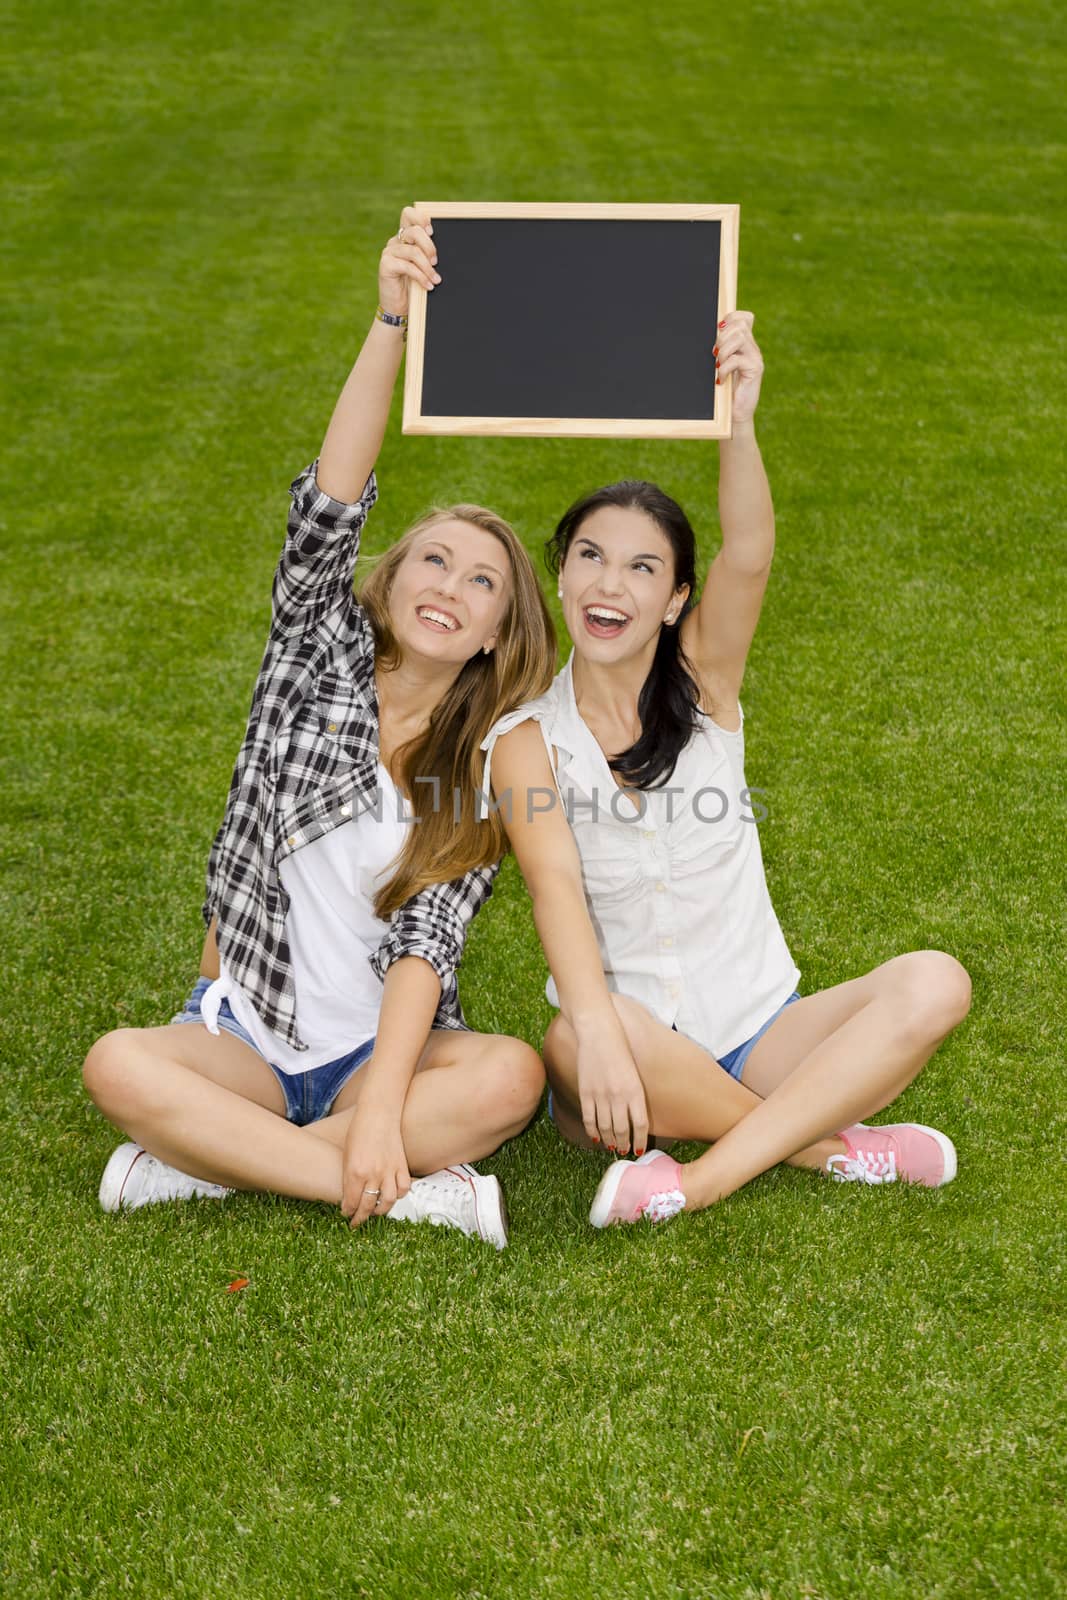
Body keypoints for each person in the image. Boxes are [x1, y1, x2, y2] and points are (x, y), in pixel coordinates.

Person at [83, 205, 555, 1248]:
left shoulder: (486, 763)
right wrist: (390, 322)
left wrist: (383, 1101)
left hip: (376, 1049)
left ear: (491, 634)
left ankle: (211, 1160)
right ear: (389, 582)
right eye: (431, 559)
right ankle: (396, 1185)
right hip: (251, 1035)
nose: (449, 586)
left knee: (511, 1075)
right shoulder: (314, 653)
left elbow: (426, 942)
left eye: (481, 583)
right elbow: (328, 507)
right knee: (118, 1062)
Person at [482, 310, 972, 1228]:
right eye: (588, 556)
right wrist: (596, 1037)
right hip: (637, 1048)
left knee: (935, 980)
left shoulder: (704, 685)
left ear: (673, 602)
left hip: (764, 1029)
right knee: (570, 1035)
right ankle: (829, 1145)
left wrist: (739, 421)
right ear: (559, 574)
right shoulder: (523, 740)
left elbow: (748, 554)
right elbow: (551, 891)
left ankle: (701, 1179)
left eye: (640, 568)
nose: (608, 586)